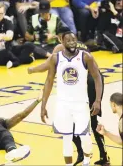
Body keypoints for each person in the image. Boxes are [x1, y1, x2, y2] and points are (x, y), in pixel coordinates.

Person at [28, 29, 110, 165]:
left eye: (73, 40)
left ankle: (84, 154)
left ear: (59, 37)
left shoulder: (60, 48)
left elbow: (46, 66)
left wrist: (32, 69)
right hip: (87, 82)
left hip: (87, 83)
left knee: (85, 124)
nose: (71, 42)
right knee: (80, 125)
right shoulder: (79, 46)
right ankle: (100, 155)